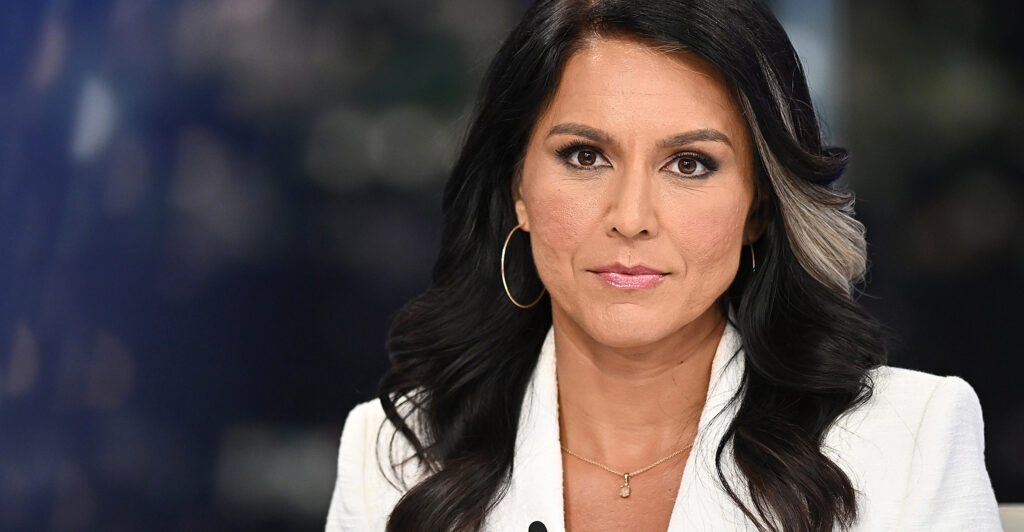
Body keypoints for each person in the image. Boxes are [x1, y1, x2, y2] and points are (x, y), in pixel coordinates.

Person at [325, 0, 1001, 530]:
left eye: (690, 164)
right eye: (586, 156)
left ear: (758, 209)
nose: (631, 216)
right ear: (518, 189)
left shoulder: (908, 438)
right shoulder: (394, 454)